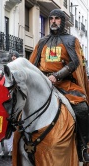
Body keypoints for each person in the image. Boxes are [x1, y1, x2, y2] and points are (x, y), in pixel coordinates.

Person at [29, 9, 89, 162]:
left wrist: (56, 76)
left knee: (82, 108)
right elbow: (33, 64)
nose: (53, 21)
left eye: (57, 19)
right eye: (51, 19)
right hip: (42, 83)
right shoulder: (42, 41)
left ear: (62, 21)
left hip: (65, 84)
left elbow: (75, 62)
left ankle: (84, 146)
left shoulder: (71, 40)